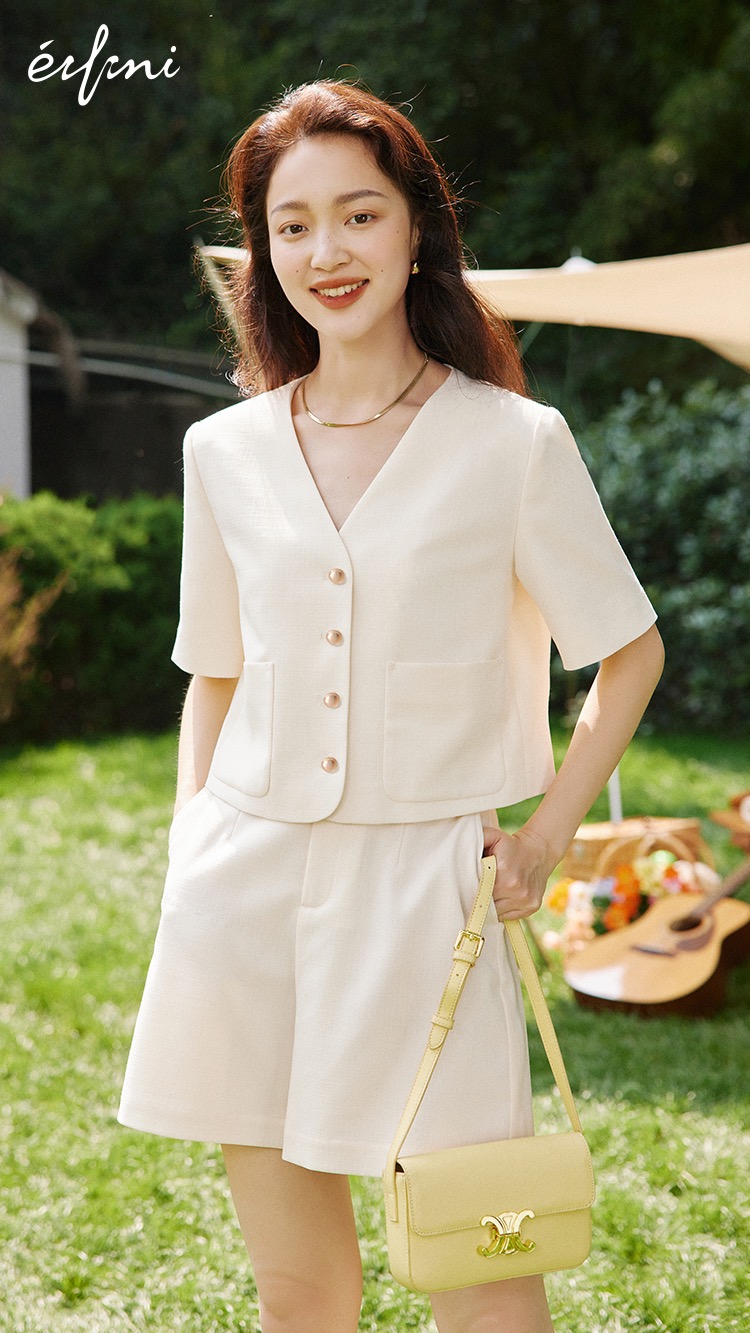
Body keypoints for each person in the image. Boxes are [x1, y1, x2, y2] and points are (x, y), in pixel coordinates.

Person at [118, 79, 664, 1333]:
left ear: (419, 228)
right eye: (293, 224)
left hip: (433, 896)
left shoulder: (513, 442)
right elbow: (216, 673)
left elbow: (629, 653)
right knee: (300, 1288)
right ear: (265, 252)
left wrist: (545, 838)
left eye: (358, 214)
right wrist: (191, 841)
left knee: (484, 1271)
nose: (328, 250)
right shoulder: (224, 452)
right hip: (243, 889)